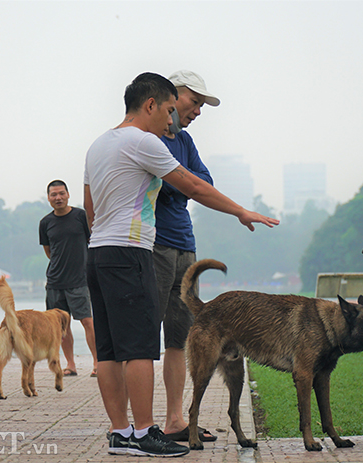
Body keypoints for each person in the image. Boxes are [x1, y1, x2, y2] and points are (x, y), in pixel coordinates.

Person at [83, 72, 279, 457]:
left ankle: (120, 433)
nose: (171, 120)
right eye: (169, 110)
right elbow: (194, 186)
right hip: (131, 251)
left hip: (99, 251)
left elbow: (90, 208)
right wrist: (240, 211)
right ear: (150, 105)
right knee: (140, 348)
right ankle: (142, 434)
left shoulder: (98, 144)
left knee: (107, 350)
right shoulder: (143, 141)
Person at [154, 70, 219, 442]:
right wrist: (184, 184)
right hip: (154, 245)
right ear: (171, 97)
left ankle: (175, 420)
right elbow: (169, 182)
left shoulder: (185, 140)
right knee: (145, 338)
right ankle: (142, 425)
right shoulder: (148, 138)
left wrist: (182, 184)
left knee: (178, 338)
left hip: (185, 244)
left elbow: (203, 183)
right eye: (194, 101)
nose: (197, 110)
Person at [39, 179, 98, 377]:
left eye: (61, 193)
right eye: (54, 195)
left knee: (88, 322)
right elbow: (49, 252)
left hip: (80, 280)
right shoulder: (45, 223)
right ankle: (71, 365)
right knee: (61, 327)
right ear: (48, 198)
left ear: (68, 194)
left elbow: (92, 240)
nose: (58, 198)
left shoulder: (81, 216)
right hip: (55, 282)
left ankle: (98, 363)